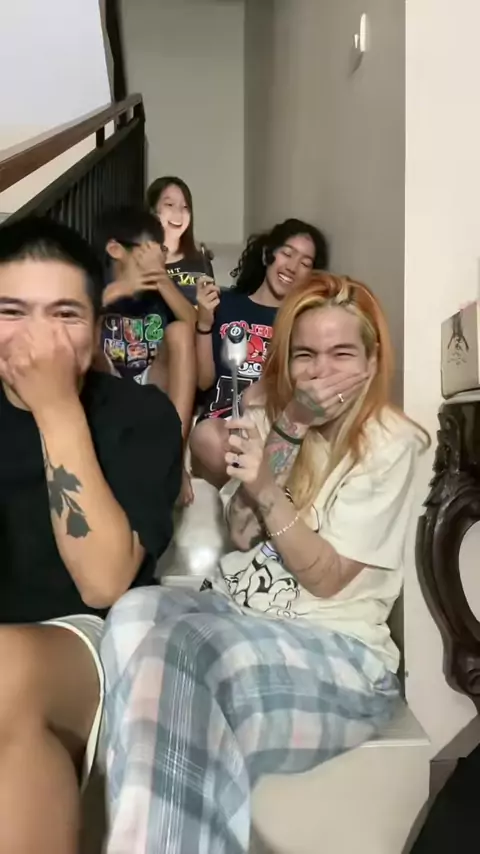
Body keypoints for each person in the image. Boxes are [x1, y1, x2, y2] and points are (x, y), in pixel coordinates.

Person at [100, 272, 429, 854]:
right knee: (132, 612)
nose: (320, 372)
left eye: (341, 354)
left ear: (373, 361)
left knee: (185, 648)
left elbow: (325, 579)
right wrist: (291, 427)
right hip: (244, 616)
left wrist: (269, 490)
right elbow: (240, 531)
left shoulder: (390, 443)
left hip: (339, 650)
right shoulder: (281, 423)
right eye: (304, 355)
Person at [0, 216, 182, 854]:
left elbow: (103, 582)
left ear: (97, 328)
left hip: (92, 639)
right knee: (17, 743)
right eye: (12, 312)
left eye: (65, 315)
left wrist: (55, 408)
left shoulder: (139, 415)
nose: (39, 339)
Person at [190, 218, 329, 488]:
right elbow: (204, 382)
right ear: (268, 255)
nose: (292, 267)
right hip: (222, 420)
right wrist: (204, 324)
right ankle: (253, 493)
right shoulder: (225, 304)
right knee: (207, 437)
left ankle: (250, 494)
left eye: (305, 263)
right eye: (287, 253)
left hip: (271, 422)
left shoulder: (302, 321)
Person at [95, 207, 197, 504]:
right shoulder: (95, 285)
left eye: (160, 251)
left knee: (180, 332)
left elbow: (194, 324)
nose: (158, 258)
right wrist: (117, 291)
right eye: (148, 250)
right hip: (107, 379)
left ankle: (174, 459)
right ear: (116, 249)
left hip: (152, 382)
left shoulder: (161, 291)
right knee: (84, 332)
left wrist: (162, 280)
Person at [147, 175, 214, 305]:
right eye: (170, 204)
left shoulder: (201, 261)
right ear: (152, 210)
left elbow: (211, 311)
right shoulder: (139, 260)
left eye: (185, 207)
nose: (178, 213)